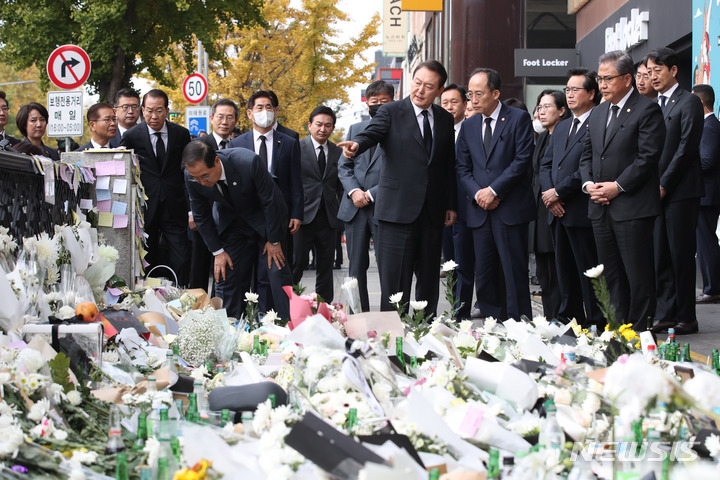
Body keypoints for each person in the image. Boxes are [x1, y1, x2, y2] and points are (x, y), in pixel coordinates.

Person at [338, 60, 457, 315]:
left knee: (428, 279)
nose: (420, 90)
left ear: (439, 90)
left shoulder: (445, 119)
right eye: (417, 83)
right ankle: (393, 335)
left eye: (428, 86)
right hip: (396, 211)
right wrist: (357, 145)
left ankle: (424, 331)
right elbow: (372, 134)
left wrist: (450, 204)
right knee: (395, 285)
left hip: (431, 211)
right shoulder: (391, 111)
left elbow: (448, 165)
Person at [578, 50, 665, 331]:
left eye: (608, 78)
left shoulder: (647, 109)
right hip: (600, 206)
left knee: (636, 272)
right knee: (610, 273)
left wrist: (618, 186)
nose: (601, 84)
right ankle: (616, 327)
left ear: (627, 79)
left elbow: (647, 157)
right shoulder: (599, 111)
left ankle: (639, 327)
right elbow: (587, 155)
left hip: (632, 206)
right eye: (599, 78)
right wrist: (589, 184)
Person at [456, 68, 535, 320]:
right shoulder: (468, 125)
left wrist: (494, 190)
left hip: (509, 206)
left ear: (496, 93)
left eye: (479, 94)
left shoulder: (518, 118)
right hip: (480, 209)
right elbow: (462, 166)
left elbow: (522, 160)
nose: (473, 100)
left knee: (513, 269)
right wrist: (479, 193)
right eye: (470, 94)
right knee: (485, 269)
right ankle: (491, 320)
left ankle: (518, 321)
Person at [182, 141, 292, 320]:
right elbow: (201, 215)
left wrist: (274, 241)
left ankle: (274, 327)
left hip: (265, 220)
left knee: (271, 274)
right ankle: (229, 327)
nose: (201, 182)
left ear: (217, 161)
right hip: (231, 223)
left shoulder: (248, 162)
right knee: (227, 273)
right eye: (197, 179)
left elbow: (271, 202)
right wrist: (217, 251)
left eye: (205, 176)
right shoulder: (191, 175)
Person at [644, 47, 704, 335]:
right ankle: (665, 313)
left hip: (679, 191)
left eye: (658, 71)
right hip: (655, 192)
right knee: (660, 254)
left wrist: (664, 185)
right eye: (649, 72)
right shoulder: (655, 105)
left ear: (673, 71)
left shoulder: (688, 101)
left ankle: (686, 317)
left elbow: (686, 148)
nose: (653, 77)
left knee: (680, 255)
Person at [228, 91, 303, 315]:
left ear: (277, 111)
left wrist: (296, 213)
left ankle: (269, 318)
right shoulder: (236, 143)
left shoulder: (289, 142)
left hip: (278, 217)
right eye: (259, 107)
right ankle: (244, 318)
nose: (264, 112)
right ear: (250, 113)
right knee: (244, 271)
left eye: (269, 107)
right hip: (246, 218)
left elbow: (296, 181)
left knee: (271, 271)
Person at [540, 68, 603, 327]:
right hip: (557, 210)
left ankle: (596, 319)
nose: (570, 94)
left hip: (579, 208)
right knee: (563, 270)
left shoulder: (597, 121)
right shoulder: (563, 126)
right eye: (567, 90)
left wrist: (559, 192)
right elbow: (546, 164)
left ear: (591, 93)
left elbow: (587, 167)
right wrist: (550, 195)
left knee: (587, 269)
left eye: (575, 89)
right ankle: (571, 317)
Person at [121, 89, 192, 286]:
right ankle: (146, 295)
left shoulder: (181, 134)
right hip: (146, 207)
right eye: (149, 111)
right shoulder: (131, 136)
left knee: (181, 255)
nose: (154, 116)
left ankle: (180, 293)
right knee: (146, 255)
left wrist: (190, 208)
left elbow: (188, 171)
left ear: (167, 111)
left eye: (159, 111)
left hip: (174, 204)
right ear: (143, 111)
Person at [338, 80, 394, 312]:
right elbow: (343, 166)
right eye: (374, 102)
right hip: (355, 209)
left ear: (393, 102)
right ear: (367, 103)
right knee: (356, 269)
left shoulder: (399, 131)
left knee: (388, 268)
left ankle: (389, 318)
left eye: (384, 102)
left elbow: (400, 172)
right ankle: (358, 317)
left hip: (386, 207)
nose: (379, 106)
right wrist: (354, 192)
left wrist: (371, 194)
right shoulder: (355, 130)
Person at [189, 99, 240, 290]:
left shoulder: (239, 144)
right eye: (220, 117)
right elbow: (187, 179)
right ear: (211, 118)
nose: (224, 122)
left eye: (230, 117)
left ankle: (221, 304)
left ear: (235, 120)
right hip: (205, 214)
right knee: (200, 265)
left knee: (227, 268)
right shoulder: (199, 145)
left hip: (232, 217)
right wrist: (191, 212)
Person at [292, 106, 342, 302]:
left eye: (328, 125)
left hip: (328, 218)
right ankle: (290, 306)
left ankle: (325, 310)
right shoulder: (296, 148)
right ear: (310, 125)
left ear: (332, 128)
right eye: (319, 124)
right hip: (301, 217)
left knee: (325, 267)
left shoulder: (338, 152)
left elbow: (340, 185)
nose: (323, 129)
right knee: (297, 264)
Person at [532, 90, 569, 320]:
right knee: (544, 266)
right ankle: (549, 316)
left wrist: (555, 195)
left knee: (559, 267)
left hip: (561, 205)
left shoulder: (566, 134)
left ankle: (561, 316)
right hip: (542, 206)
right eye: (539, 107)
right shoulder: (544, 136)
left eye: (547, 107)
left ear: (562, 110)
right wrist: (547, 196)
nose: (541, 112)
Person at [442, 84, 477, 319]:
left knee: (464, 260)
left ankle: (461, 311)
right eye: (444, 103)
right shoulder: (437, 131)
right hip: (442, 207)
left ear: (465, 105)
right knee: (449, 262)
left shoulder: (472, 130)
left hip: (466, 205)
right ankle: (453, 305)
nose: (449, 107)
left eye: (454, 102)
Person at [693, 84, 720, 304]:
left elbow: (707, 160)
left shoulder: (710, 126)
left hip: (707, 195)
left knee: (706, 241)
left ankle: (712, 288)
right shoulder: (707, 125)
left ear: (700, 103)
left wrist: (685, 168)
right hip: (704, 194)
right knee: (703, 242)